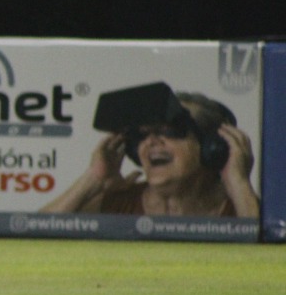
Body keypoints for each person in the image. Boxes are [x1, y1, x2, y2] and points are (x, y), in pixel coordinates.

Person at [41, 91, 260, 217]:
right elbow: (33, 238)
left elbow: (266, 265)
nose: (151, 142)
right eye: (142, 135)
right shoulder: (118, 204)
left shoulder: (239, 206)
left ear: (211, 146)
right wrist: (92, 180)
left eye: (168, 132)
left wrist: (239, 184)